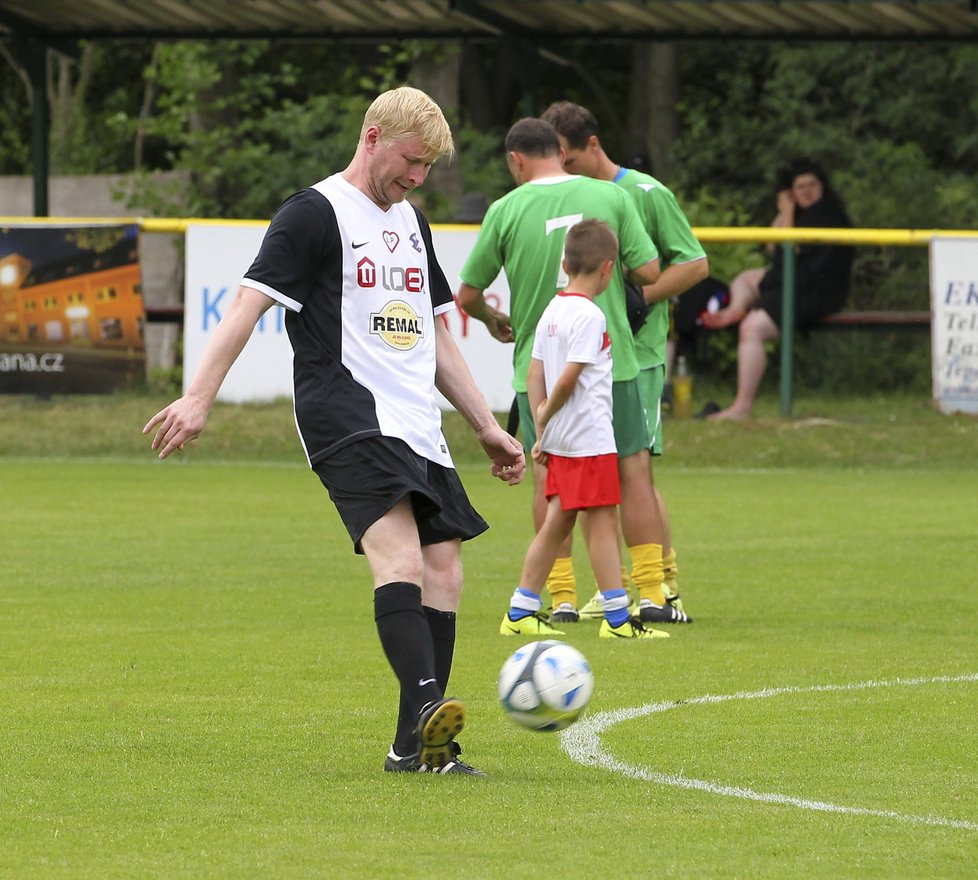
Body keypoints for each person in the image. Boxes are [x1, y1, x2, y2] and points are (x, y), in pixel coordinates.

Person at [143, 86, 526, 777]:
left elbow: (437, 333)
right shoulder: (313, 213)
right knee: (403, 561)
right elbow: (246, 303)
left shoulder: (412, 222)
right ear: (374, 137)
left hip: (416, 418)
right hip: (344, 411)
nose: (416, 178)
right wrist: (198, 397)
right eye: (411, 161)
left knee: (445, 570)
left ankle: (415, 746)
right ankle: (430, 715)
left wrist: (484, 425)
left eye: (428, 169)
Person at [457, 117, 668, 639]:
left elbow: (468, 298)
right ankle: (647, 597)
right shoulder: (609, 198)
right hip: (604, 388)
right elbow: (651, 273)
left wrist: (494, 322)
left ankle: (556, 599)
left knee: (555, 504)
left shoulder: (507, 212)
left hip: (545, 391)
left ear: (516, 160)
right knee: (627, 481)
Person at [541, 100, 707, 623]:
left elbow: (695, 263)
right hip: (590, 359)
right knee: (596, 475)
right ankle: (611, 589)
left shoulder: (643, 192)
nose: (560, 171)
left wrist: (644, 297)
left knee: (635, 471)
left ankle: (664, 588)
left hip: (639, 356)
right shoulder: (567, 199)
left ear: (592, 146)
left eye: (566, 159)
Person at [501, 220, 664, 639]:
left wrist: (542, 426)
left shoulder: (552, 310)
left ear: (564, 263)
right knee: (604, 521)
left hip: (564, 439)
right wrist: (545, 414)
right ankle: (616, 619)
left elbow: (534, 371)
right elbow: (568, 378)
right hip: (589, 438)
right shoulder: (590, 315)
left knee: (559, 521)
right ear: (609, 269)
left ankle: (519, 612)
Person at [702, 158, 853, 419]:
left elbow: (788, 250)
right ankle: (735, 308)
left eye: (812, 185)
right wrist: (786, 211)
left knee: (752, 328)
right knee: (746, 279)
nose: (806, 191)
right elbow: (773, 246)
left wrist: (788, 212)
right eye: (799, 186)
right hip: (793, 282)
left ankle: (742, 406)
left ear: (822, 187)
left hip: (815, 293)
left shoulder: (829, 214)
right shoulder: (799, 214)